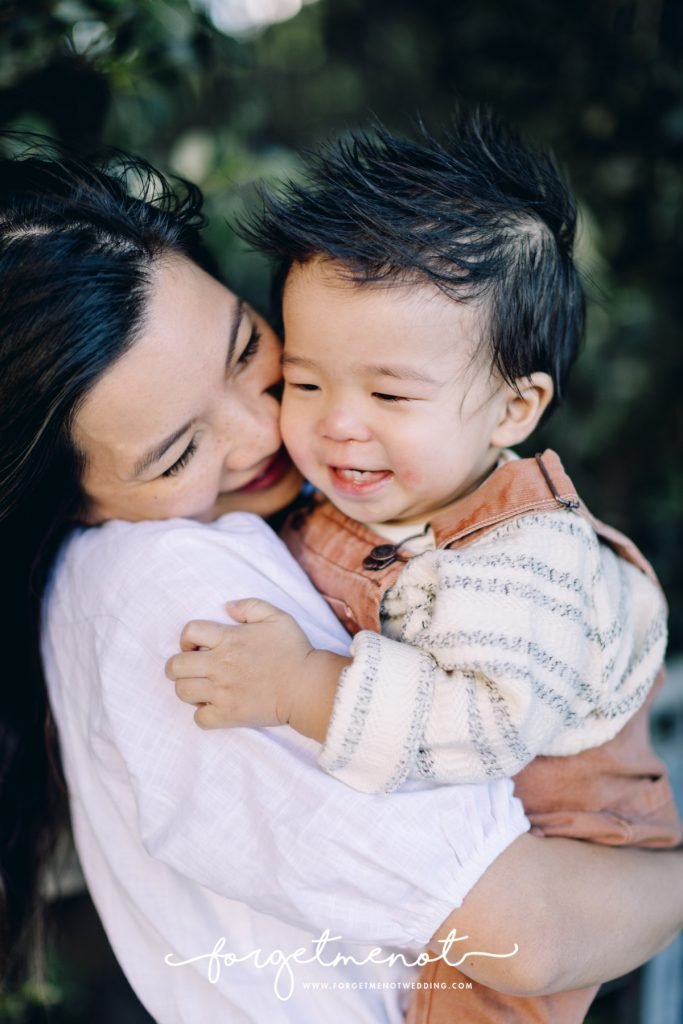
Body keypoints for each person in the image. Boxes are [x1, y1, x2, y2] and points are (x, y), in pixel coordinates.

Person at [1, 141, 682, 1024]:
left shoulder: (505, 548)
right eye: (177, 453)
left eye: (248, 352)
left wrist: (305, 685)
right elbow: (529, 933)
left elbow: (492, 736)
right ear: (66, 501)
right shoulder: (160, 580)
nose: (269, 432)